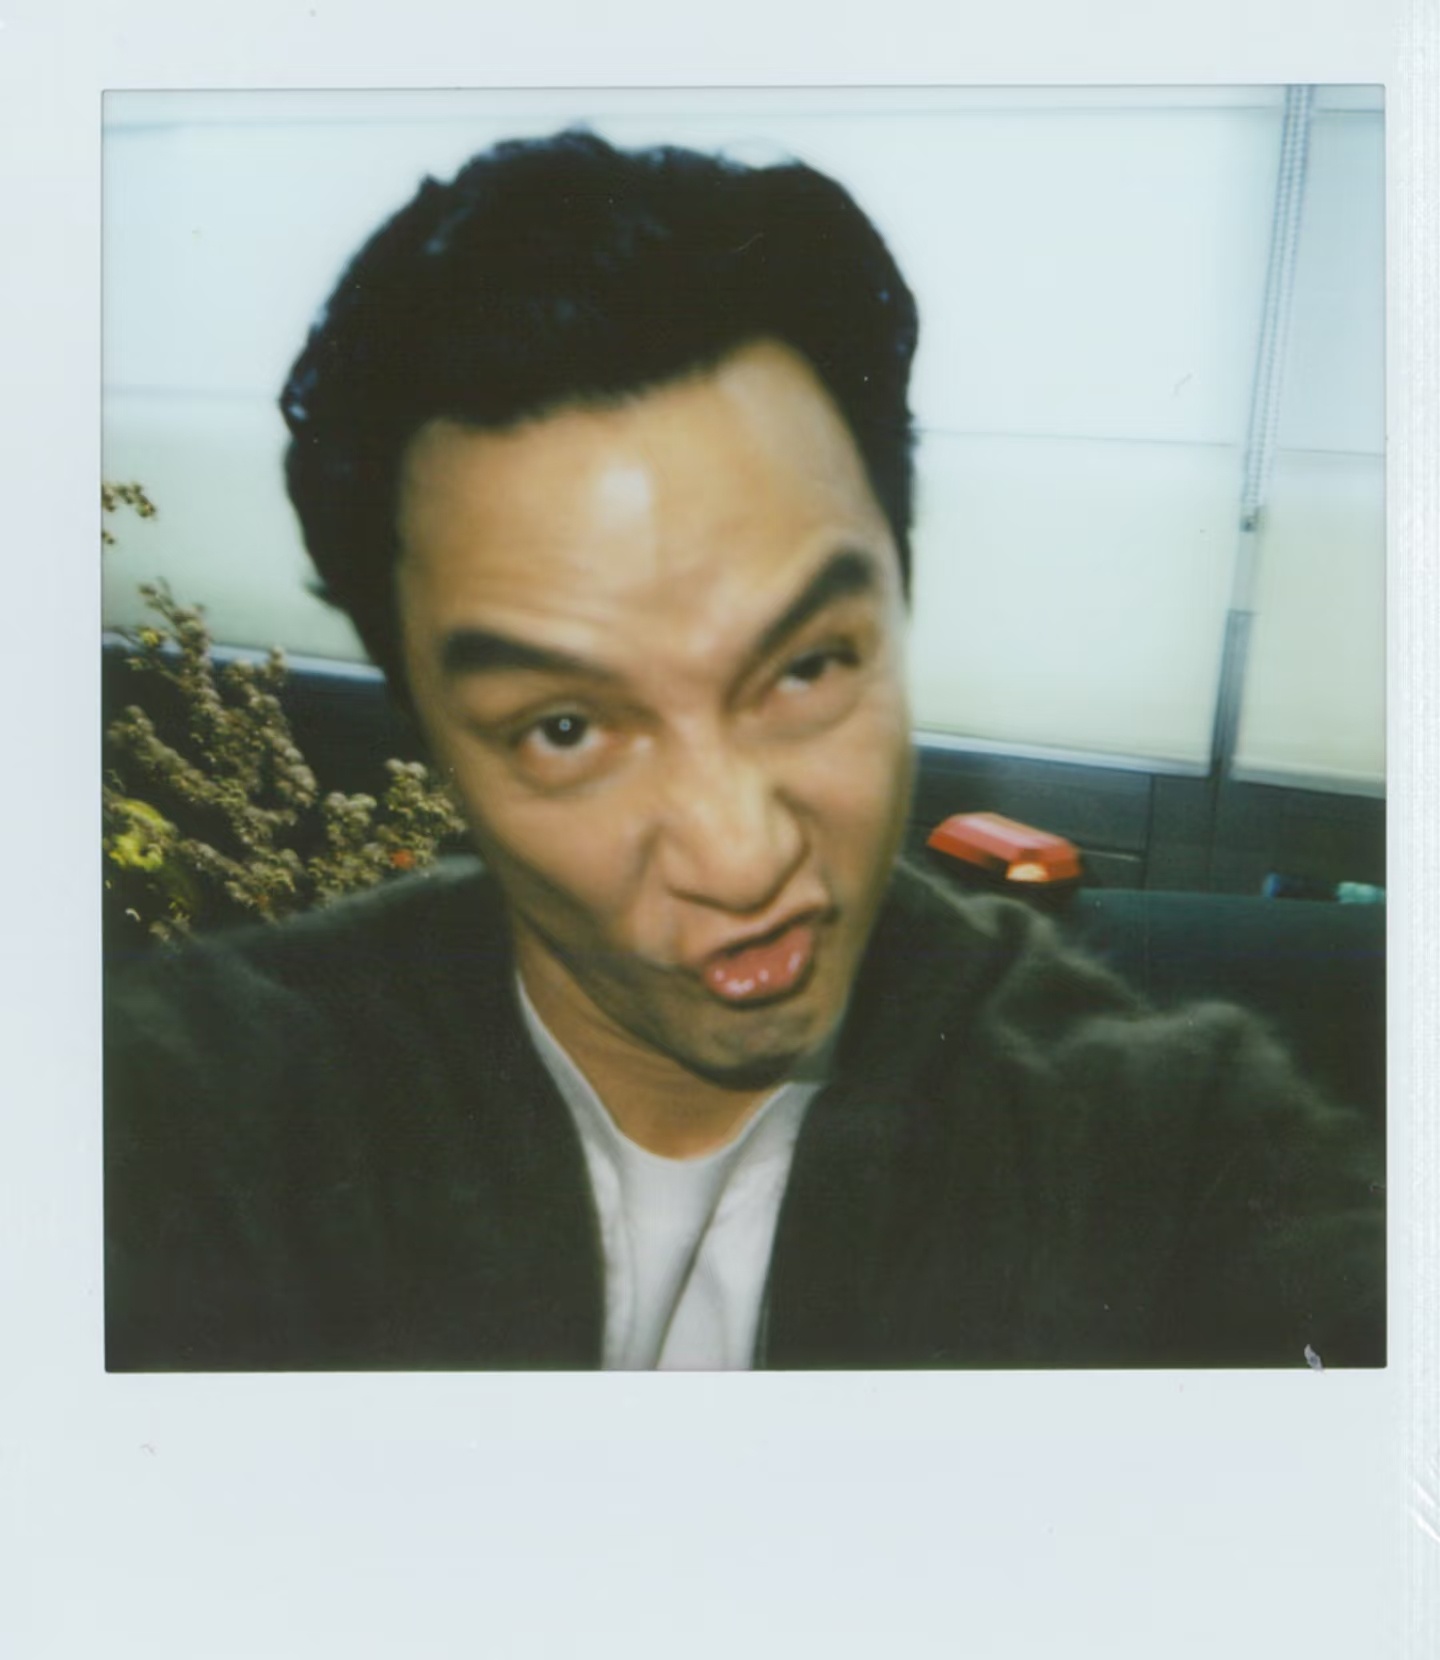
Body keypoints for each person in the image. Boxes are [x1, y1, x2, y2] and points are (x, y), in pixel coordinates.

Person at [104, 130, 1383, 1371]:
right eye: (566, 728)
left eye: (808, 667)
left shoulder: (1165, 1133)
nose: (741, 856)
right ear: (431, 735)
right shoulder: (191, 1114)